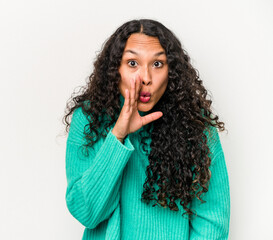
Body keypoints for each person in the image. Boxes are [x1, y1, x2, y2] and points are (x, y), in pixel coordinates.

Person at [62, 19, 230, 240]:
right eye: (133, 63)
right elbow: (87, 213)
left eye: (157, 64)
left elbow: (212, 222)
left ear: (172, 72)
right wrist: (119, 134)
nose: (146, 78)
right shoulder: (90, 118)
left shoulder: (196, 126)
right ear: (115, 69)